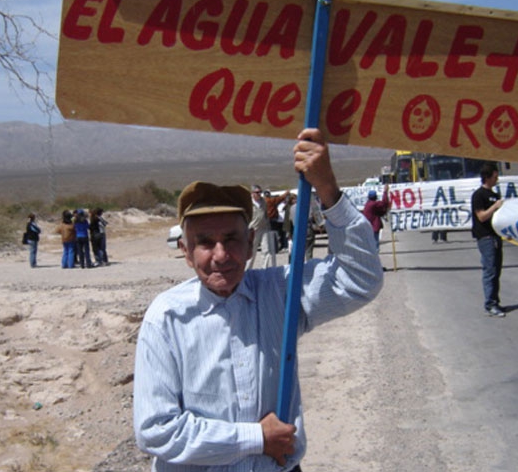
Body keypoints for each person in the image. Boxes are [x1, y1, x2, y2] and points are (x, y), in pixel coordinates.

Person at [133, 128, 384, 472]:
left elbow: (360, 279)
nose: (221, 255)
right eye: (205, 241)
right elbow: (156, 431)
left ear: (251, 242)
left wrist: (327, 188)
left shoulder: (281, 291)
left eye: (232, 239)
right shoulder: (167, 317)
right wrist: (256, 438)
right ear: (186, 252)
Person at [471, 162, 505, 318]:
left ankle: (495, 301)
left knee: (496, 270)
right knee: (489, 270)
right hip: (485, 237)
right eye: (495, 176)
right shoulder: (478, 195)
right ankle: (490, 304)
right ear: (488, 177)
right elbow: (482, 216)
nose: (496, 179)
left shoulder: (496, 195)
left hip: (496, 236)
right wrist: (495, 207)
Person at [246, 185, 275, 269]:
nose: (259, 194)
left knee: (266, 250)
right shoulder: (248, 203)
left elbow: (266, 214)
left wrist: (268, 225)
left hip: (264, 228)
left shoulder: (263, 202)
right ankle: (248, 270)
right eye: (257, 192)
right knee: (252, 250)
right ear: (252, 193)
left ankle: (264, 269)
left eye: (260, 192)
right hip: (253, 229)